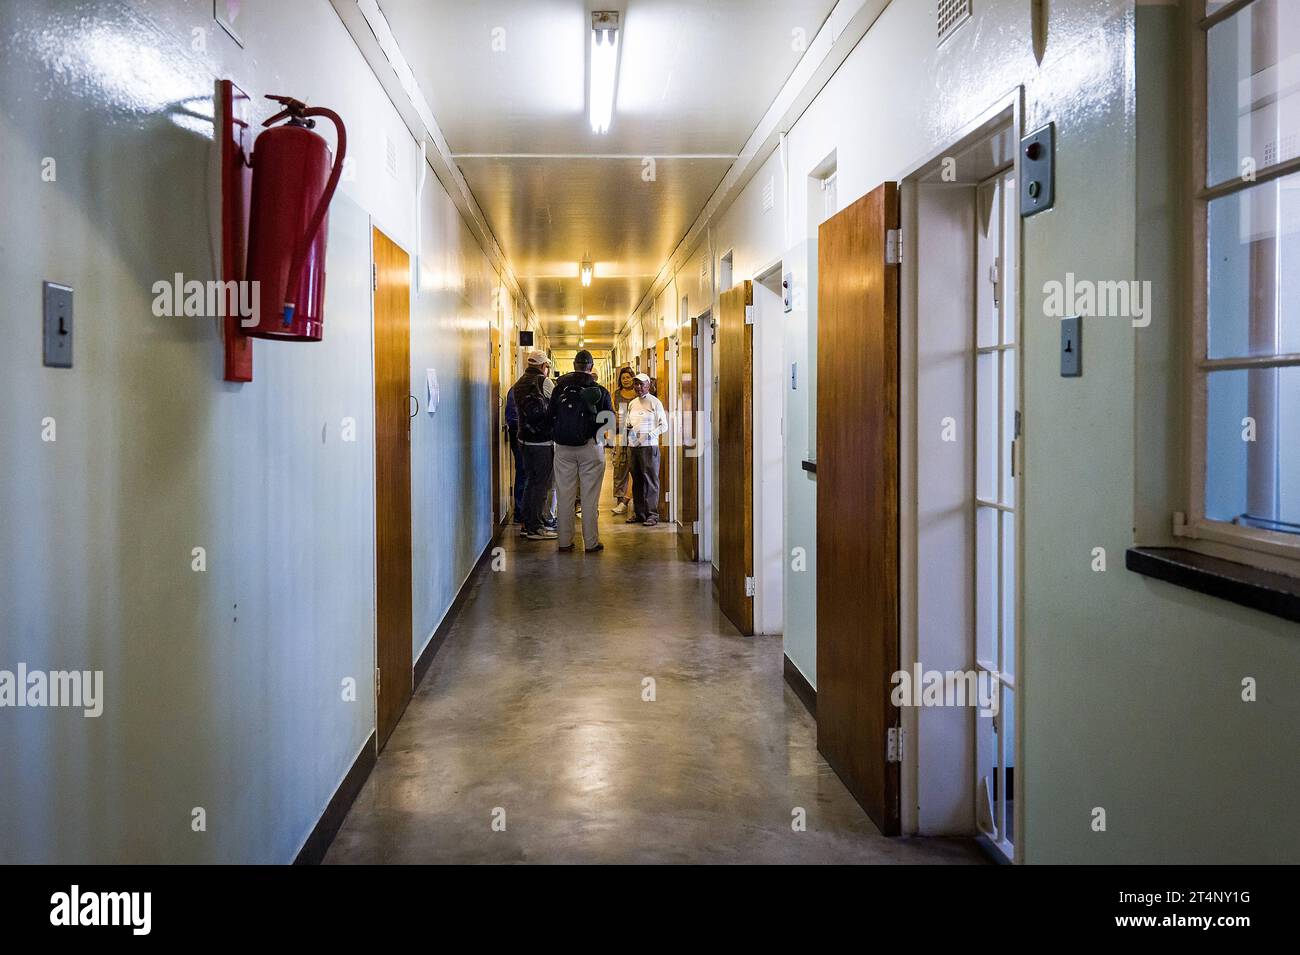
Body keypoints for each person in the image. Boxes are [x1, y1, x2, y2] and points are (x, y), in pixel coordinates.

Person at [549, 350, 614, 553]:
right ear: (591, 367)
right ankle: (591, 542)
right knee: (589, 497)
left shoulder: (559, 389)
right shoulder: (599, 390)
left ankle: (564, 542)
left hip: (563, 448)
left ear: (574, 365)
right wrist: (599, 436)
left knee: (564, 495)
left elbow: (550, 415)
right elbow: (609, 421)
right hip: (590, 447)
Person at [510, 350, 556, 540]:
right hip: (542, 440)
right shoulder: (543, 381)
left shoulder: (518, 383)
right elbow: (556, 404)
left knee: (530, 481)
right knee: (541, 483)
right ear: (544, 366)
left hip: (523, 439)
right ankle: (536, 527)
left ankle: (526, 524)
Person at [625, 372, 668, 527]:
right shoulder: (632, 403)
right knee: (637, 480)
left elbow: (664, 425)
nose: (638, 387)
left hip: (649, 447)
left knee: (650, 480)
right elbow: (629, 423)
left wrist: (649, 435)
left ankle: (652, 515)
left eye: (642, 384)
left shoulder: (655, 402)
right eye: (636, 384)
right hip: (633, 446)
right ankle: (639, 513)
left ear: (648, 385)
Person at [609, 366, 637, 514]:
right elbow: (611, 414)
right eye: (623, 377)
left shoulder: (638, 394)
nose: (626, 380)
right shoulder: (616, 394)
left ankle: (633, 498)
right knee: (620, 466)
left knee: (635, 466)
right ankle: (620, 499)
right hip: (620, 434)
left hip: (637, 435)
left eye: (628, 377)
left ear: (633, 377)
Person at [504, 387, 525, 524]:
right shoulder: (535, 387)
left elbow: (511, 418)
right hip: (522, 436)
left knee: (522, 471)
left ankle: (520, 512)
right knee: (524, 472)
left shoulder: (515, 389)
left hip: (516, 434)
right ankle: (521, 512)